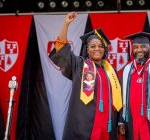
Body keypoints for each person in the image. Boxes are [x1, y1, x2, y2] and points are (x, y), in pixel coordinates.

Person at [50, 12, 122, 140]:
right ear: (87, 50)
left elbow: (118, 98)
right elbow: (61, 50)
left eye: (100, 46)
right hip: (84, 126)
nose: (97, 49)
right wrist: (66, 24)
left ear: (105, 49)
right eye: (92, 46)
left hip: (108, 125)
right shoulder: (79, 65)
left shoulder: (112, 71)